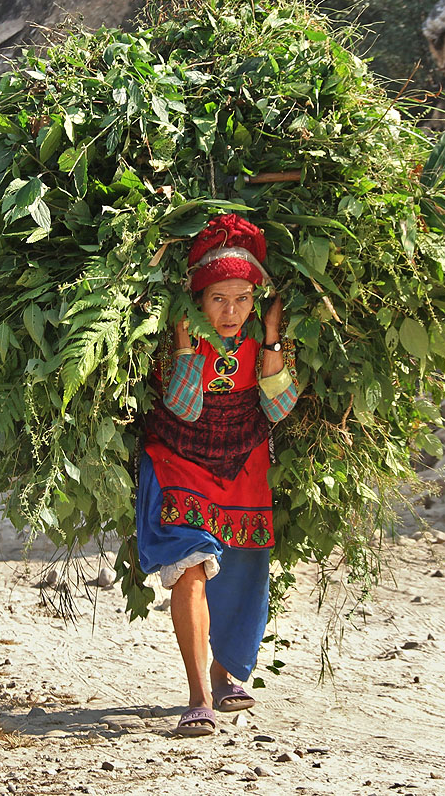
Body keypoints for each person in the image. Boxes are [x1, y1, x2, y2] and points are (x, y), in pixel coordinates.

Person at [135, 213, 298, 737]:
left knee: (244, 573)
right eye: (219, 300)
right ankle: (198, 695)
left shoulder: (261, 341)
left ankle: (228, 675)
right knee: (189, 566)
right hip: (178, 458)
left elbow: (279, 410)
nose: (231, 312)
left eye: (243, 300)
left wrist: (271, 339)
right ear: (198, 301)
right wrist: (184, 346)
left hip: (242, 461)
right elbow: (182, 407)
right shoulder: (176, 338)